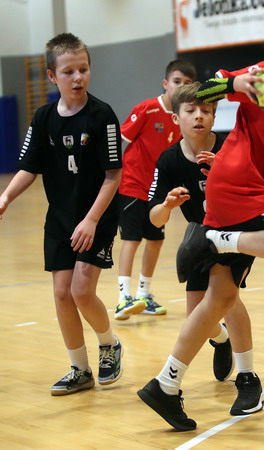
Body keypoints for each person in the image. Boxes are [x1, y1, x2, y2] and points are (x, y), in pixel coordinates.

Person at [137, 19, 264, 431]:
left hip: (249, 193)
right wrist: (235, 85)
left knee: (221, 299)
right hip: (240, 184)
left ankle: (166, 384)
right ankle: (218, 239)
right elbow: (197, 92)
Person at [0, 33, 123, 395]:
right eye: (68, 71)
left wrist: (91, 220)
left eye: (83, 69)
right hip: (60, 218)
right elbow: (29, 168)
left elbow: (113, 175)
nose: (78, 77)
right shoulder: (43, 118)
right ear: (52, 76)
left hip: (96, 216)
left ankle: (109, 344)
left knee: (82, 291)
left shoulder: (102, 115)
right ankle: (79, 369)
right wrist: (6, 197)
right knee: (62, 293)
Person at [145, 81, 258, 402]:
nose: (199, 116)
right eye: (191, 110)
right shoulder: (168, 160)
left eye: (206, 110)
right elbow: (154, 218)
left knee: (228, 299)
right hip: (201, 235)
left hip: (236, 231)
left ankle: (247, 374)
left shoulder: (231, 146)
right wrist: (167, 206)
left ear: (214, 116)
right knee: (197, 316)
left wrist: (224, 171)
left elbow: (256, 188)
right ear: (176, 118)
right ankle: (221, 339)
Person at [114, 60, 196, 320]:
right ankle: (123, 298)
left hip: (158, 189)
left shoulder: (184, 116)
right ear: (165, 83)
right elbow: (120, 139)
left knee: (156, 240)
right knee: (132, 239)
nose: (181, 87)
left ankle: (143, 294)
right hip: (133, 184)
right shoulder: (147, 109)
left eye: (187, 83)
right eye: (177, 81)